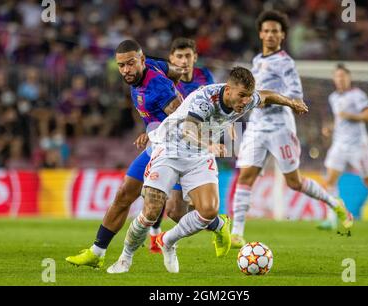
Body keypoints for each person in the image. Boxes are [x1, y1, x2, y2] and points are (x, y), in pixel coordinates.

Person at [107, 66, 308, 273]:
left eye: (248, 97)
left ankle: (167, 240)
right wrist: (210, 145)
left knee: (208, 212)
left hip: (198, 155)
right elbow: (188, 129)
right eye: (241, 96)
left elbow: (266, 96)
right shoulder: (205, 99)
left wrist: (290, 102)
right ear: (228, 90)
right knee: (151, 210)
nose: (245, 101)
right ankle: (125, 258)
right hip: (170, 147)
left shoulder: (245, 100)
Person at [65, 39, 227, 270]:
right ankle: (97, 252)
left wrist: (156, 131)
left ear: (141, 60)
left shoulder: (157, 88)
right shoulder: (152, 64)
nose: (126, 70)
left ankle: (218, 225)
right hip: (157, 145)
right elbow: (174, 72)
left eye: (130, 64)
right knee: (124, 194)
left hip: (178, 150)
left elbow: (182, 120)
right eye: (121, 65)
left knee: (175, 212)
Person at [230, 10, 354, 249]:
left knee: (294, 182)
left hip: (280, 129)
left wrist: (267, 98)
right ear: (260, 33)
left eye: (274, 31)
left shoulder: (286, 63)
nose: (269, 35)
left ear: (283, 35)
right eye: (265, 31)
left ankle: (334, 204)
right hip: (256, 127)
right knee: (245, 175)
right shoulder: (257, 61)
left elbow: (296, 98)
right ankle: (237, 233)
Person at [149, 37, 215, 253]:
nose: (184, 60)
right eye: (179, 56)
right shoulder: (168, 83)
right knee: (174, 209)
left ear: (195, 57)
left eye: (188, 55)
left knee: (188, 207)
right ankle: (219, 226)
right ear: (171, 59)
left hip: (197, 150)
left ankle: (217, 224)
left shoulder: (205, 78)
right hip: (171, 146)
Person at [318, 64, 368, 231]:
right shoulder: (333, 97)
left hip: (358, 145)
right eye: (337, 76)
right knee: (329, 181)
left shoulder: (358, 95)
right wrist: (330, 128)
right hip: (339, 143)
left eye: (343, 76)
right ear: (334, 79)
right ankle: (331, 220)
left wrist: (350, 116)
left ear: (349, 78)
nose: (340, 79)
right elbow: (339, 120)